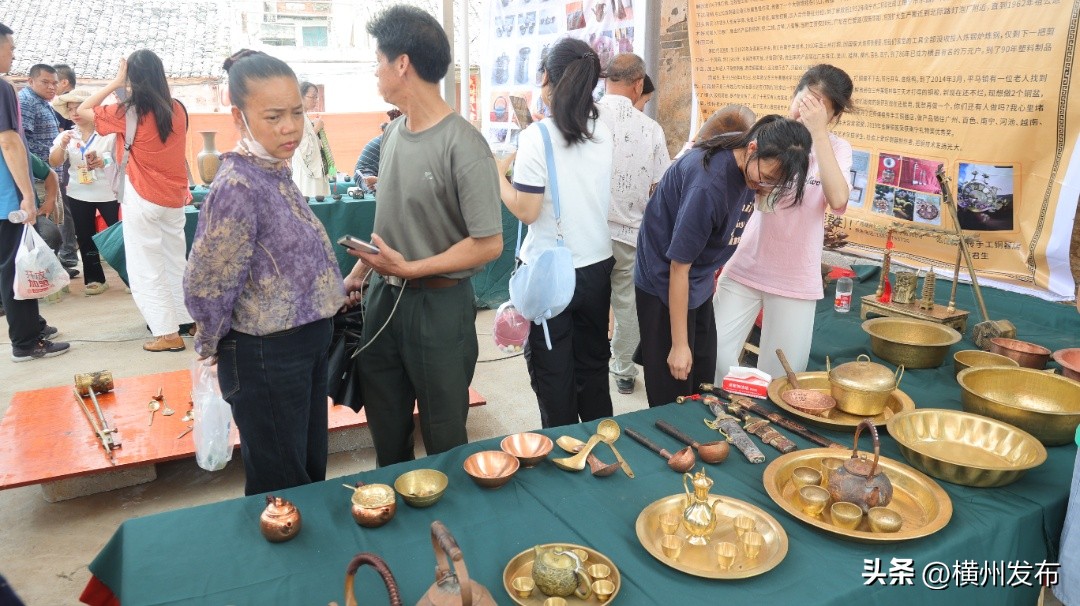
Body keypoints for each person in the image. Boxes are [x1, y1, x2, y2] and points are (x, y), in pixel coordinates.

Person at [344, 5, 503, 466]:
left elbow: (489, 242)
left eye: (379, 60)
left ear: (402, 64)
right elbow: (389, 222)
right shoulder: (392, 134)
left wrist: (412, 268)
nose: (376, 71)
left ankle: (449, 531)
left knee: (444, 437)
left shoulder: (465, 144)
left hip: (438, 308)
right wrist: (358, 272)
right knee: (387, 428)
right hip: (381, 303)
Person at [184, 50, 346, 496]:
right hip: (266, 352)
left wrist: (334, 288)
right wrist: (208, 341)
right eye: (273, 116)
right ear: (239, 116)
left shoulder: (274, 171)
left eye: (297, 112)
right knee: (282, 480)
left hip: (304, 344)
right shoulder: (237, 185)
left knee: (308, 467)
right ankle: (283, 564)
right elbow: (209, 282)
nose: (290, 126)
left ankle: (306, 557)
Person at [634, 115, 812, 407]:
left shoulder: (749, 167)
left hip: (699, 280)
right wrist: (679, 345)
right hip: (666, 282)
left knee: (702, 380)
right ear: (752, 147)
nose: (765, 187)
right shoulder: (708, 187)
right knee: (675, 385)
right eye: (765, 178)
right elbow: (679, 268)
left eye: (775, 183)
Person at [498, 37, 615, 427]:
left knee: (554, 377)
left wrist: (496, 176)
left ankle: (563, 461)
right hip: (597, 265)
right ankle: (602, 453)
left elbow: (528, 211)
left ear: (545, 76)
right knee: (594, 371)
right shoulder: (603, 127)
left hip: (552, 271)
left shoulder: (537, 137)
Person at [712, 65, 854, 381]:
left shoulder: (837, 149)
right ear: (793, 95)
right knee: (714, 353)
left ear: (833, 115)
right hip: (745, 266)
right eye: (805, 101)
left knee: (783, 377)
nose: (807, 112)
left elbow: (839, 199)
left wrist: (818, 134)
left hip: (795, 280)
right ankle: (720, 414)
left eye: (820, 108)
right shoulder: (770, 134)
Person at [77, 50, 194, 352]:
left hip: (142, 196)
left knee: (146, 267)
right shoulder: (178, 109)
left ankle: (167, 333)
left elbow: (83, 109)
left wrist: (116, 81)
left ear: (132, 77)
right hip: (174, 197)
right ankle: (190, 320)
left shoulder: (127, 111)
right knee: (174, 261)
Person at [596, 53, 670, 395]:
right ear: (639, 83)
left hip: (588, 232)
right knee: (627, 303)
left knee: (587, 301)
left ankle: (588, 362)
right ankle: (623, 370)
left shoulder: (585, 116)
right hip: (629, 233)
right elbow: (662, 186)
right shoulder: (650, 129)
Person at [0, 22, 70, 361]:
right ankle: (26, 343)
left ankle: (33, 325)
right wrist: (28, 195)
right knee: (16, 266)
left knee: (18, 262)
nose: (13, 53)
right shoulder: (3, 88)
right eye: (10, 47)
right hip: (7, 195)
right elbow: (10, 141)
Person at [48, 88, 118, 296]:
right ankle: (95, 279)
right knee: (85, 237)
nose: (75, 113)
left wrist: (102, 161)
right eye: (70, 109)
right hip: (79, 193)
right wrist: (62, 145)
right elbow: (54, 162)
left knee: (120, 234)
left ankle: (130, 277)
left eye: (78, 107)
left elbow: (117, 158)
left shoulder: (108, 133)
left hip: (109, 193)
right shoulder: (67, 136)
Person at [291, 81, 330, 197]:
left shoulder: (304, 116)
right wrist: (316, 129)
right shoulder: (296, 117)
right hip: (307, 174)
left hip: (314, 171)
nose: (315, 100)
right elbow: (301, 146)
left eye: (316, 97)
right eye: (312, 97)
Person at [352, 107, 403, 193]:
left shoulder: (396, 139)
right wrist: (378, 180)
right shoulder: (391, 139)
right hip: (365, 174)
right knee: (379, 193)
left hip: (377, 175)